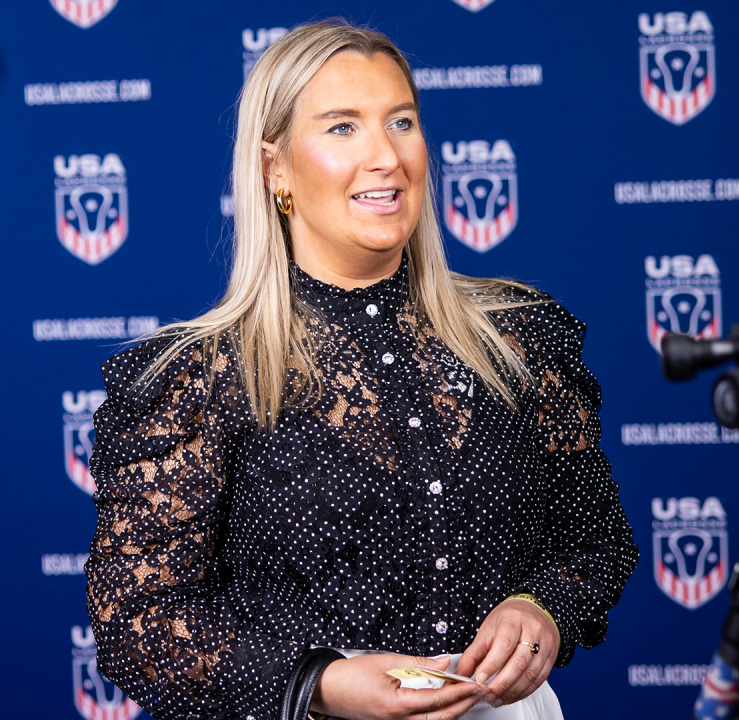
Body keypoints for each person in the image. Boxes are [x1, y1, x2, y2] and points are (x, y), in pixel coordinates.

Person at [85, 20, 638, 720]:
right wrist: (321, 684)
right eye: (342, 128)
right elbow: (140, 622)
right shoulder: (197, 379)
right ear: (274, 167)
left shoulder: (519, 336)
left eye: (400, 121)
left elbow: (594, 541)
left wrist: (542, 609)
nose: (385, 155)